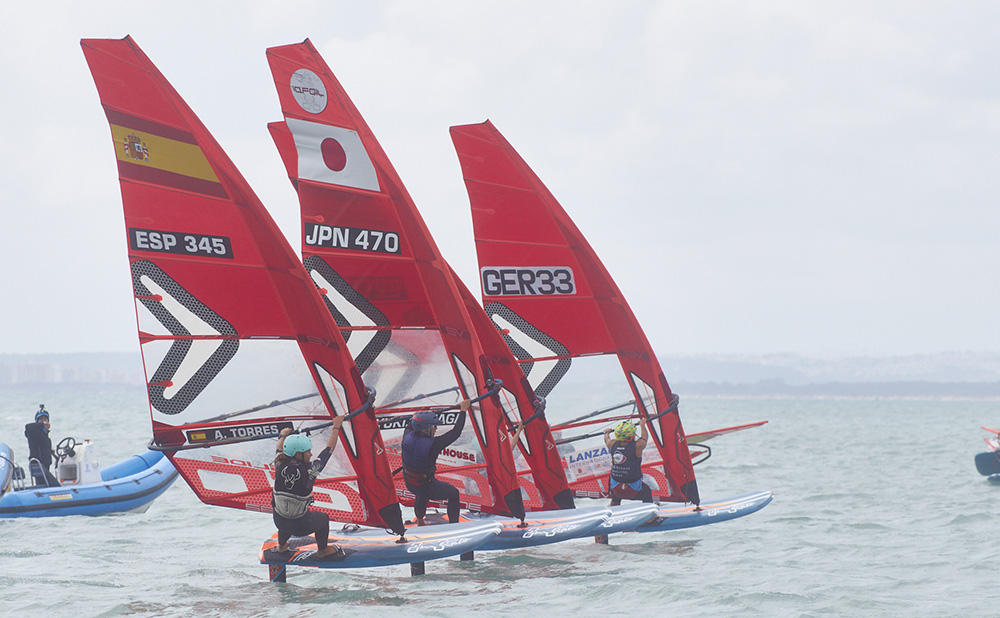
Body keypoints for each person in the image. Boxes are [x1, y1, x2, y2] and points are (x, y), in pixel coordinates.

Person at [272, 416, 345, 558]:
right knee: (323, 518)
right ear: (298, 454)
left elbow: (278, 448)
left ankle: (281, 546)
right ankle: (323, 550)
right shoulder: (311, 470)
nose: (311, 454)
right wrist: (336, 427)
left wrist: (282, 435)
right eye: (308, 451)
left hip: (279, 522)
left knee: (284, 514)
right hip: (300, 527)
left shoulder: (279, 463)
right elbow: (328, 450)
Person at [401, 399, 471, 525]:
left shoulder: (407, 436)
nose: (436, 429)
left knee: (421, 491)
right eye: (434, 426)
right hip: (426, 486)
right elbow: (456, 433)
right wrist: (463, 411)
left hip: (410, 484)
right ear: (425, 429)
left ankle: (420, 520)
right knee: (453, 494)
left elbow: (411, 423)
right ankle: (454, 526)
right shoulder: (433, 445)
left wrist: (418, 417)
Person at [603, 418, 653, 505]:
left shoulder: (612, 444)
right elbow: (644, 437)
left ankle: (614, 507)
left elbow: (606, 439)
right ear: (631, 436)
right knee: (647, 492)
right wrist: (642, 425)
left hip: (616, 487)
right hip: (633, 490)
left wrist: (606, 432)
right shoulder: (637, 446)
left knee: (616, 495)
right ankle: (649, 513)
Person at [24, 405, 59, 487]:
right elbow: (28, 427)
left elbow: (41, 446)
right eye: (41, 419)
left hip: (46, 466)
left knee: (45, 483)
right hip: (39, 465)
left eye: (45, 419)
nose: (44, 421)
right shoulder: (33, 432)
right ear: (37, 421)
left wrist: (50, 451)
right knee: (55, 485)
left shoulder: (44, 434)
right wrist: (42, 424)